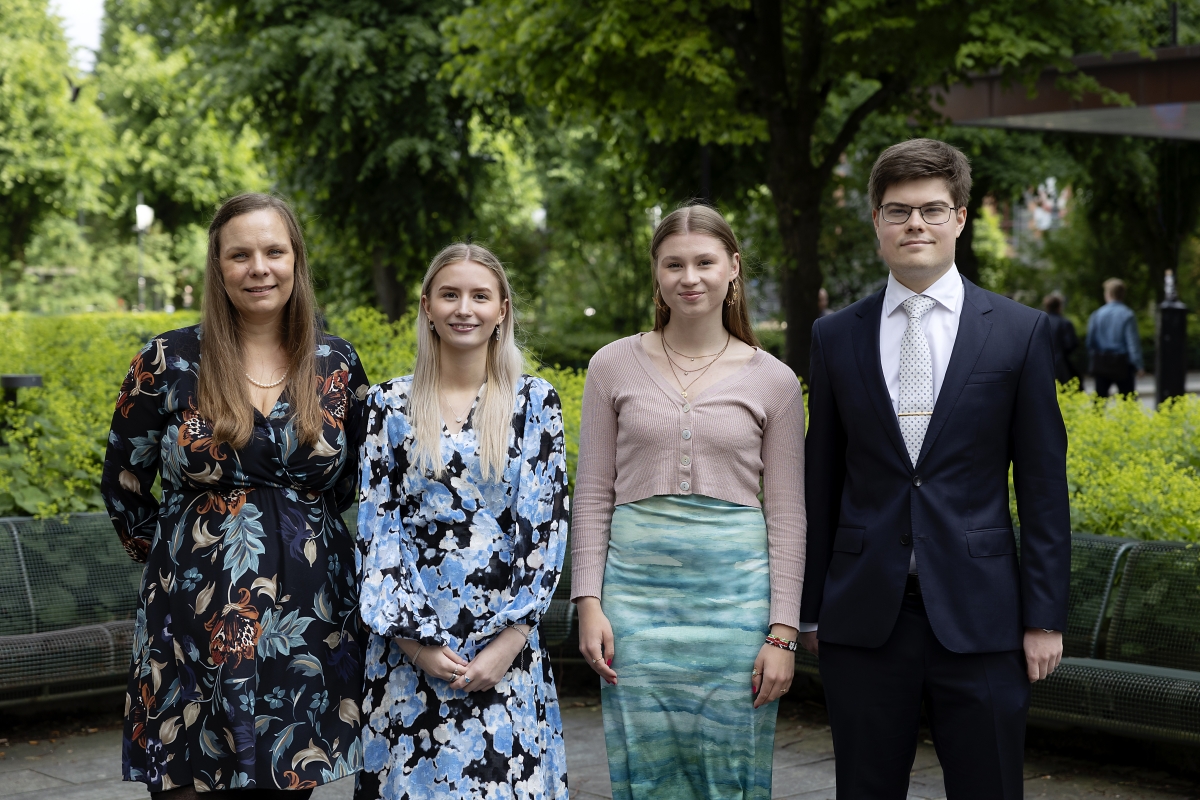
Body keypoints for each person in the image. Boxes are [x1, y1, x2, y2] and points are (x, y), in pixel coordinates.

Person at [800, 139, 1070, 800]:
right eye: (897, 211)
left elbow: (1041, 487)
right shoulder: (835, 337)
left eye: (930, 209)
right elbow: (821, 479)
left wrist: (1045, 619)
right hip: (864, 620)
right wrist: (808, 612)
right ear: (876, 222)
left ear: (960, 217)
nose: (914, 224)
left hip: (985, 621)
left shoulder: (1020, 332)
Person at [101, 193, 371, 797]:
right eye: (240, 254)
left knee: (287, 778)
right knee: (186, 783)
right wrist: (178, 558)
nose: (259, 268)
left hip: (307, 618)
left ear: (296, 262)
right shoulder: (168, 360)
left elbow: (358, 482)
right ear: (217, 266)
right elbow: (123, 479)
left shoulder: (336, 362)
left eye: (275, 252)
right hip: (190, 616)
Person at [572, 204, 806, 800]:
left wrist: (782, 634)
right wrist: (590, 603)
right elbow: (594, 494)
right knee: (644, 767)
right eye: (673, 264)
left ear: (733, 269)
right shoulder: (610, 366)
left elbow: (786, 513)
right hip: (636, 607)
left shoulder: (774, 379)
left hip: (735, 605)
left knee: (730, 768)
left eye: (705, 262)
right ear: (656, 275)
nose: (690, 277)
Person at [355, 243, 569, 800]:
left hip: (506, 649)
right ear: (427, 306)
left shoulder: (535, 404)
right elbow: (378, 528)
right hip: (410, 650)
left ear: (502, 309)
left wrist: (509, 643)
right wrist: (414, 644)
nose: (464, 308)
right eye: (449, 294)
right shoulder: (389, 404)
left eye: (480, 295)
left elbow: (547, 528)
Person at [1086, 278, 1143, 397]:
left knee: (1099, 405)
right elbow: (1132, 343)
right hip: (1123, 364)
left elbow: (1090, 342)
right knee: (1128, 403)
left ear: (1108, 294)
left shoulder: (1097, 314)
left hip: (1102, 362)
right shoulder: (1127, 314)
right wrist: (1138, 365)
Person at [1043, 293, 1080, 385]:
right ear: (1059, 306)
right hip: (1062, 365)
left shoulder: (1041, 323)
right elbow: (1071, 344)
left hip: (1043, 364)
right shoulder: (1065, 323)